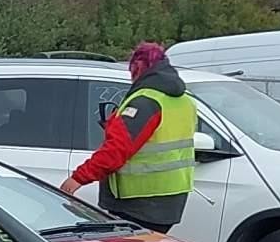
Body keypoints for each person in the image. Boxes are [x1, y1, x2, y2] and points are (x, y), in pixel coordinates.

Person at [59, 41, 196, 231]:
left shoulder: (146, 102)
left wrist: (78, 178)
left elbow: (117, 149)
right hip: (170, 200)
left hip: (138, 202)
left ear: (138, 68)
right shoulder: (184, 101)